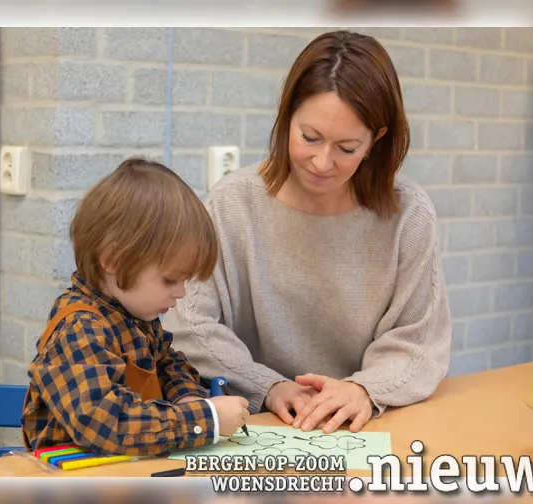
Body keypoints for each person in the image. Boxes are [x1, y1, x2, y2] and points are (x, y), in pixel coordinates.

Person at [162, 30, 452, 436]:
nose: (322, 162)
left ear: (376, 140)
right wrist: (268, 385)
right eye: (309, 138)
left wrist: (364, 390)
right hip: (256, 422)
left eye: (347, 148)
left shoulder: (409, 214)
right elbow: (188, 326)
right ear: (287, 119)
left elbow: (419, 341)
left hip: (361, 428)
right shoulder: (231, 203)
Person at [21, 158, 250, 456]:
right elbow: (108, 425)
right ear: (113, 260)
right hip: (69, 477)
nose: (181, 293)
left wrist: (188, 399)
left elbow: (169, 365)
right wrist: (205, 419)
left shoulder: (138, 317)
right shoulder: (79, 329)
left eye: (185, 280)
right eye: (170, 280)